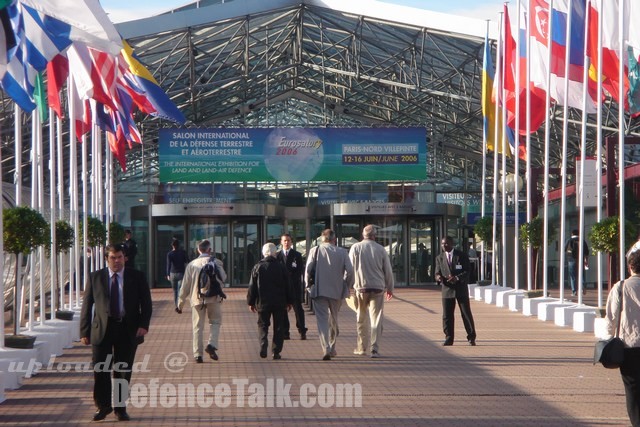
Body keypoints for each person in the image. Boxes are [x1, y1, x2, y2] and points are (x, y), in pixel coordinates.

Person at [79, 243, 152, 422]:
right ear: (107, 259)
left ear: (125, 258)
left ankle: (120, 408)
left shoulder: (137, 276)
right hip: (102, 330)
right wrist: (84, 331)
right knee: (101, 370)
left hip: (127, 329)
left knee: (122, 371)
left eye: (120, 257)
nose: (117, 261)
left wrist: (143, 325)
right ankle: (103, 406)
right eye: (113, 257)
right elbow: (87, 306)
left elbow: (147, 304)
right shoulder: (95, 277)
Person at [305, 229, 354, 360]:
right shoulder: (342, 252)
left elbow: (308, 269)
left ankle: (325, 347)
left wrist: (307, 286)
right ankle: (332, 346)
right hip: (337, 290)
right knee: (334, 318)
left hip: (319, 289)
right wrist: (347, 285)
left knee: (322, 320)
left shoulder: (315, 250)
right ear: (334, 239)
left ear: (322, 239)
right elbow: (350, 270)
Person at [176, 239, 227, 363]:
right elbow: (223, 278)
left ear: (198, 250)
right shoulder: (217, 262)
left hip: (197, 298)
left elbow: (185, 286)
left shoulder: (192, 265)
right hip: (214, 298)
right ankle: (212, 344)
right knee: (215, 322)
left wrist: (180, 303)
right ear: (210, 250)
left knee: (198, 327)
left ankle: (198, 354)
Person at [605, 250, 640, 426]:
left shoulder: (620, 287)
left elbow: (611, 316)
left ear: (630, 267)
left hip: (629, 345)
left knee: (632, 389)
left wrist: (608, 337)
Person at [348, 224, 394, 358]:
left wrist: (348, 286)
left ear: (363, 235)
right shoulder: (381, 249)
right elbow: (388, 271)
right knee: (377, 319)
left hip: (361, 287)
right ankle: (374, 349)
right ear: (374, 236)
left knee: (361, 318)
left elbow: (350, 268)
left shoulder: (355, 248)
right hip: (378, 288)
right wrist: (390, 288)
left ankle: (361, 347)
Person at [247, 243, 293, 360]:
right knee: (279, 327)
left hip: (263, 302)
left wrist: (251, 302)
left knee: (263, 325)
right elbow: (288, 285)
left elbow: (252, 286)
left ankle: (263, 345)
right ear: (274, 253)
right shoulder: (281, 267)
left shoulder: (258, 267)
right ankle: (276, 351)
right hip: (279, 302)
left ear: (263, 253)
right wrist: (289, 300)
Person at [434, 236, 477, 346]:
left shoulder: (461, 255)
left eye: (446, 244)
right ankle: (449, 338)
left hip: (460, 289)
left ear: (452, 243)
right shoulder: (440, 257)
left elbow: (467, 271)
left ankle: (471, 337)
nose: (444, 246)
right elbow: (437, 272)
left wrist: (457, 278)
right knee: (447, 315)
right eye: (443, 244)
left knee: (465, 313)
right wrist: (438, 277)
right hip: (447, 290)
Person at [277, 233, 307, 340]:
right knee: (283, 310)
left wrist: (290, 279)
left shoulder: (297, 255)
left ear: (291, 242)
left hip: (294, 287)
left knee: (298, 310)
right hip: (282, 288)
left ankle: (302, 330)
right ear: (281, 242)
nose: (286, 242)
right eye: (284, 240)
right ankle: (286, 332)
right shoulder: (277, 256)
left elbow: (299, 271)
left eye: (288, 240)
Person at [564, 229, 589, 296]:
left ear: (572, 234)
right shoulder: (582, 240)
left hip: (571, 260)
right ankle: (583, 287)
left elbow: (565, 249)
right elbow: (586, 251)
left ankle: (574, 291)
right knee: (582, 275)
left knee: (573, 276)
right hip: (581, 260)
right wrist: (586, 260)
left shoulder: (569, 240)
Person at [166, 239, 190, 307]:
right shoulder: (183, 252)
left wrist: (168, 274)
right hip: (181, 273)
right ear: (179, 245)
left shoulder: (169, 254)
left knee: (175, 290)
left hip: (172, 273)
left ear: (172, 245)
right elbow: (187, 261)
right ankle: (179, 305)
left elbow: (168, 264)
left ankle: (176, 305)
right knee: (180, 290)